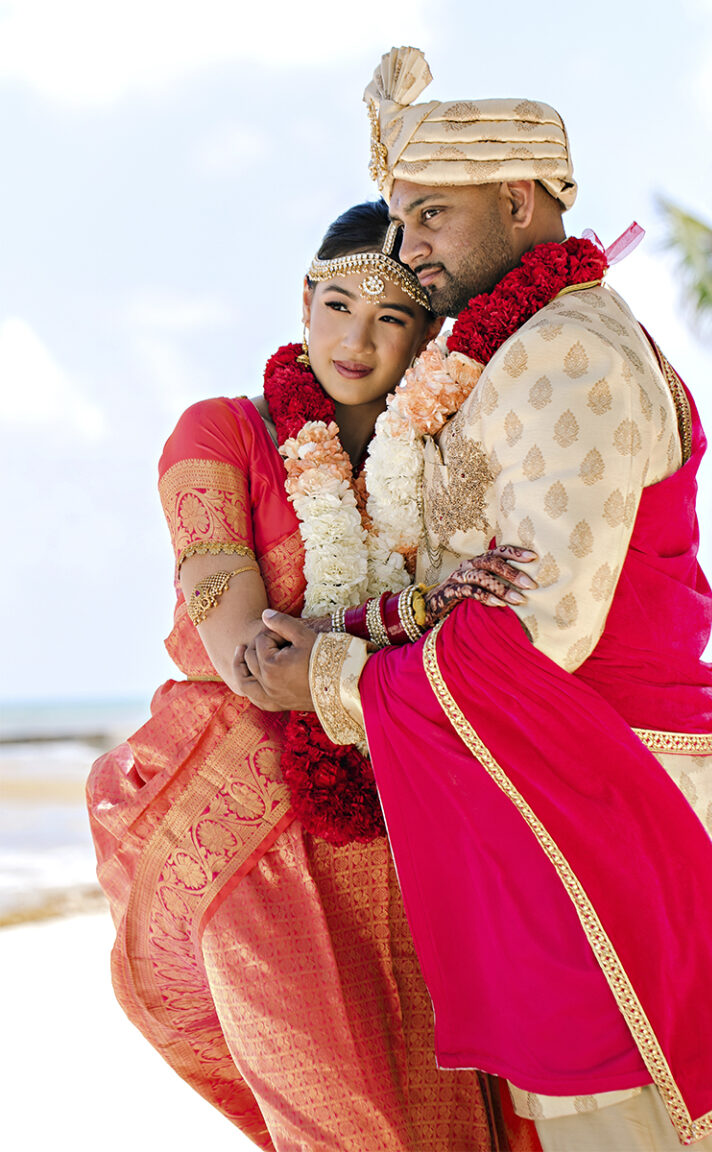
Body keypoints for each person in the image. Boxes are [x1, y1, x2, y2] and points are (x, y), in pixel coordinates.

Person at [238, 48, 712, 1152]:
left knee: (620, 1128)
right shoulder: (510, 353)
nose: (408, 248)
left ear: (518, 201)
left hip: (598, 813)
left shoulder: (566, 354)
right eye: (399, 218)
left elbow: (536, 636)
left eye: (430, 216)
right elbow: (458, 588)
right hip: (542, 812)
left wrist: (324, 678)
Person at [87, 198, 543, 1152]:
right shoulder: (220, 435)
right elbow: (250, 657)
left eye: (391, 319)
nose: (356, 339)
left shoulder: (443, 458)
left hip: (411, 820)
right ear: (303, 301)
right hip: (252, 832)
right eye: (337, 305)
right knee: (336, 1119)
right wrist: (418, 613)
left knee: (448, 1113)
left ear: (426, 335)